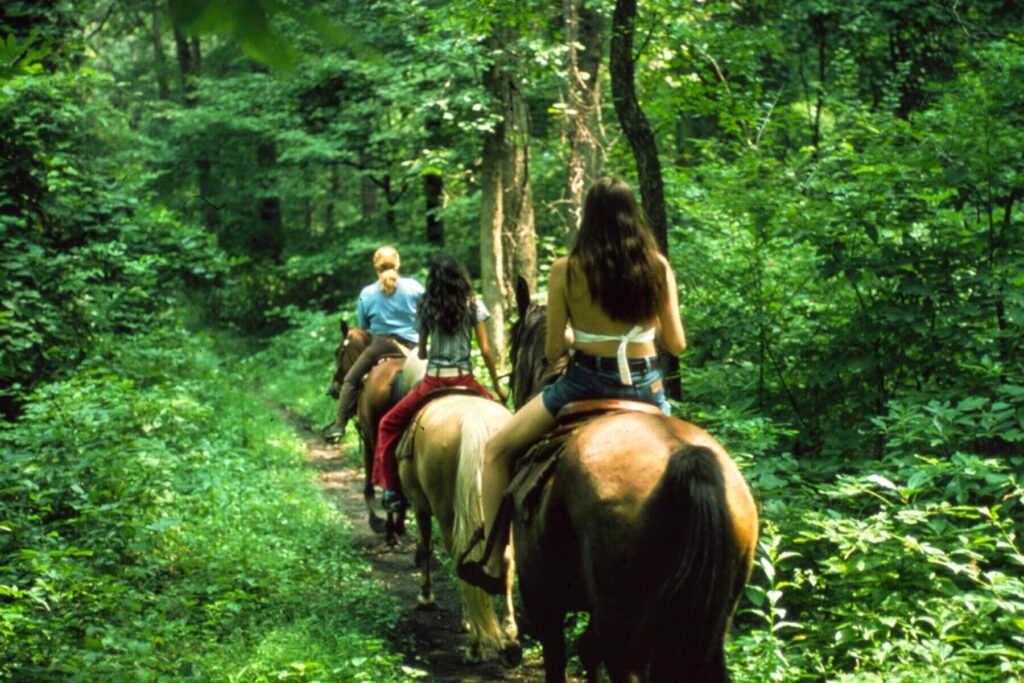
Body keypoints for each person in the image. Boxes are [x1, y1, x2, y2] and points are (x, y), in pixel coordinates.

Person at [456, 176, 687, 594]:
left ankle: (492, 559)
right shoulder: (658, 267)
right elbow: (677, 344)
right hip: (648, 391)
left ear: (588, 217)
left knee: (496, 451)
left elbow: (550, 349)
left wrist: (581, 337)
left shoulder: (567, 268)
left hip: (584, 385)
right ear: (635, 214)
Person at [372, 254, 509, 509]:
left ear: (434, 281)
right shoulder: (473, 306)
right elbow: (487, 350)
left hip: (433, 382)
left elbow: (422, 352)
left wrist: (429, 349)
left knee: (388, 424)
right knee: (507, 423)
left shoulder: (427, 306)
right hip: (466, 380)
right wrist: (497, 385)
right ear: (460, 278)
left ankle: (391, 490)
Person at [325, 246, 423, 442]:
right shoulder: (415, 287)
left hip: (380, 346)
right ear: (398, 263)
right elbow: (425, 316)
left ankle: (339, 424)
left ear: (375, 265)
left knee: (351, 380)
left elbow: (363, 325)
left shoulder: (366, 293)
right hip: (414, 349)